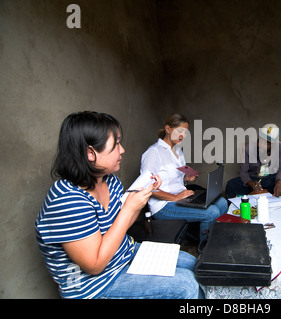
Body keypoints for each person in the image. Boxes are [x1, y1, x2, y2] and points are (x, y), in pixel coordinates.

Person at [35, 111, 202, 299]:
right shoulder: (66, 200)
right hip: (97, 284)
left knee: (193, 263)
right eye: (115, 145)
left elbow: (120, 227)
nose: (122, 150)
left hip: (123, 254)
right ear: (90, 153)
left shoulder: (110, 181)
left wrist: (142, 197)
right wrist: (129, 208)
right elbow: (94, 265)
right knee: (187, 284)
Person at [140, 114, 227, 241]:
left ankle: (217, 240)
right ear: (168, 129)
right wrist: (175, 197)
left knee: (222, 202)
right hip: (164, 206)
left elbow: (175, 177)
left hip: (181, 198)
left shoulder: (178, 151)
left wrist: (187, 177)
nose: (183, 135)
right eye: (180, 131)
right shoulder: (153, 153)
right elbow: (148, 188)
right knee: (211, 213)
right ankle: (206, 252)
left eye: (186, 132)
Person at [225, 124, 281, 206]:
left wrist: (279, 182)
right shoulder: (248, 148)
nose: (262, 145)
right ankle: (232, 216)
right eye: (261, 141)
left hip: (271, 179)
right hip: (253, 179)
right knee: (231, 185)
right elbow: (243, 172)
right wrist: (251, 183)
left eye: (267, 143)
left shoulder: (279, 147)